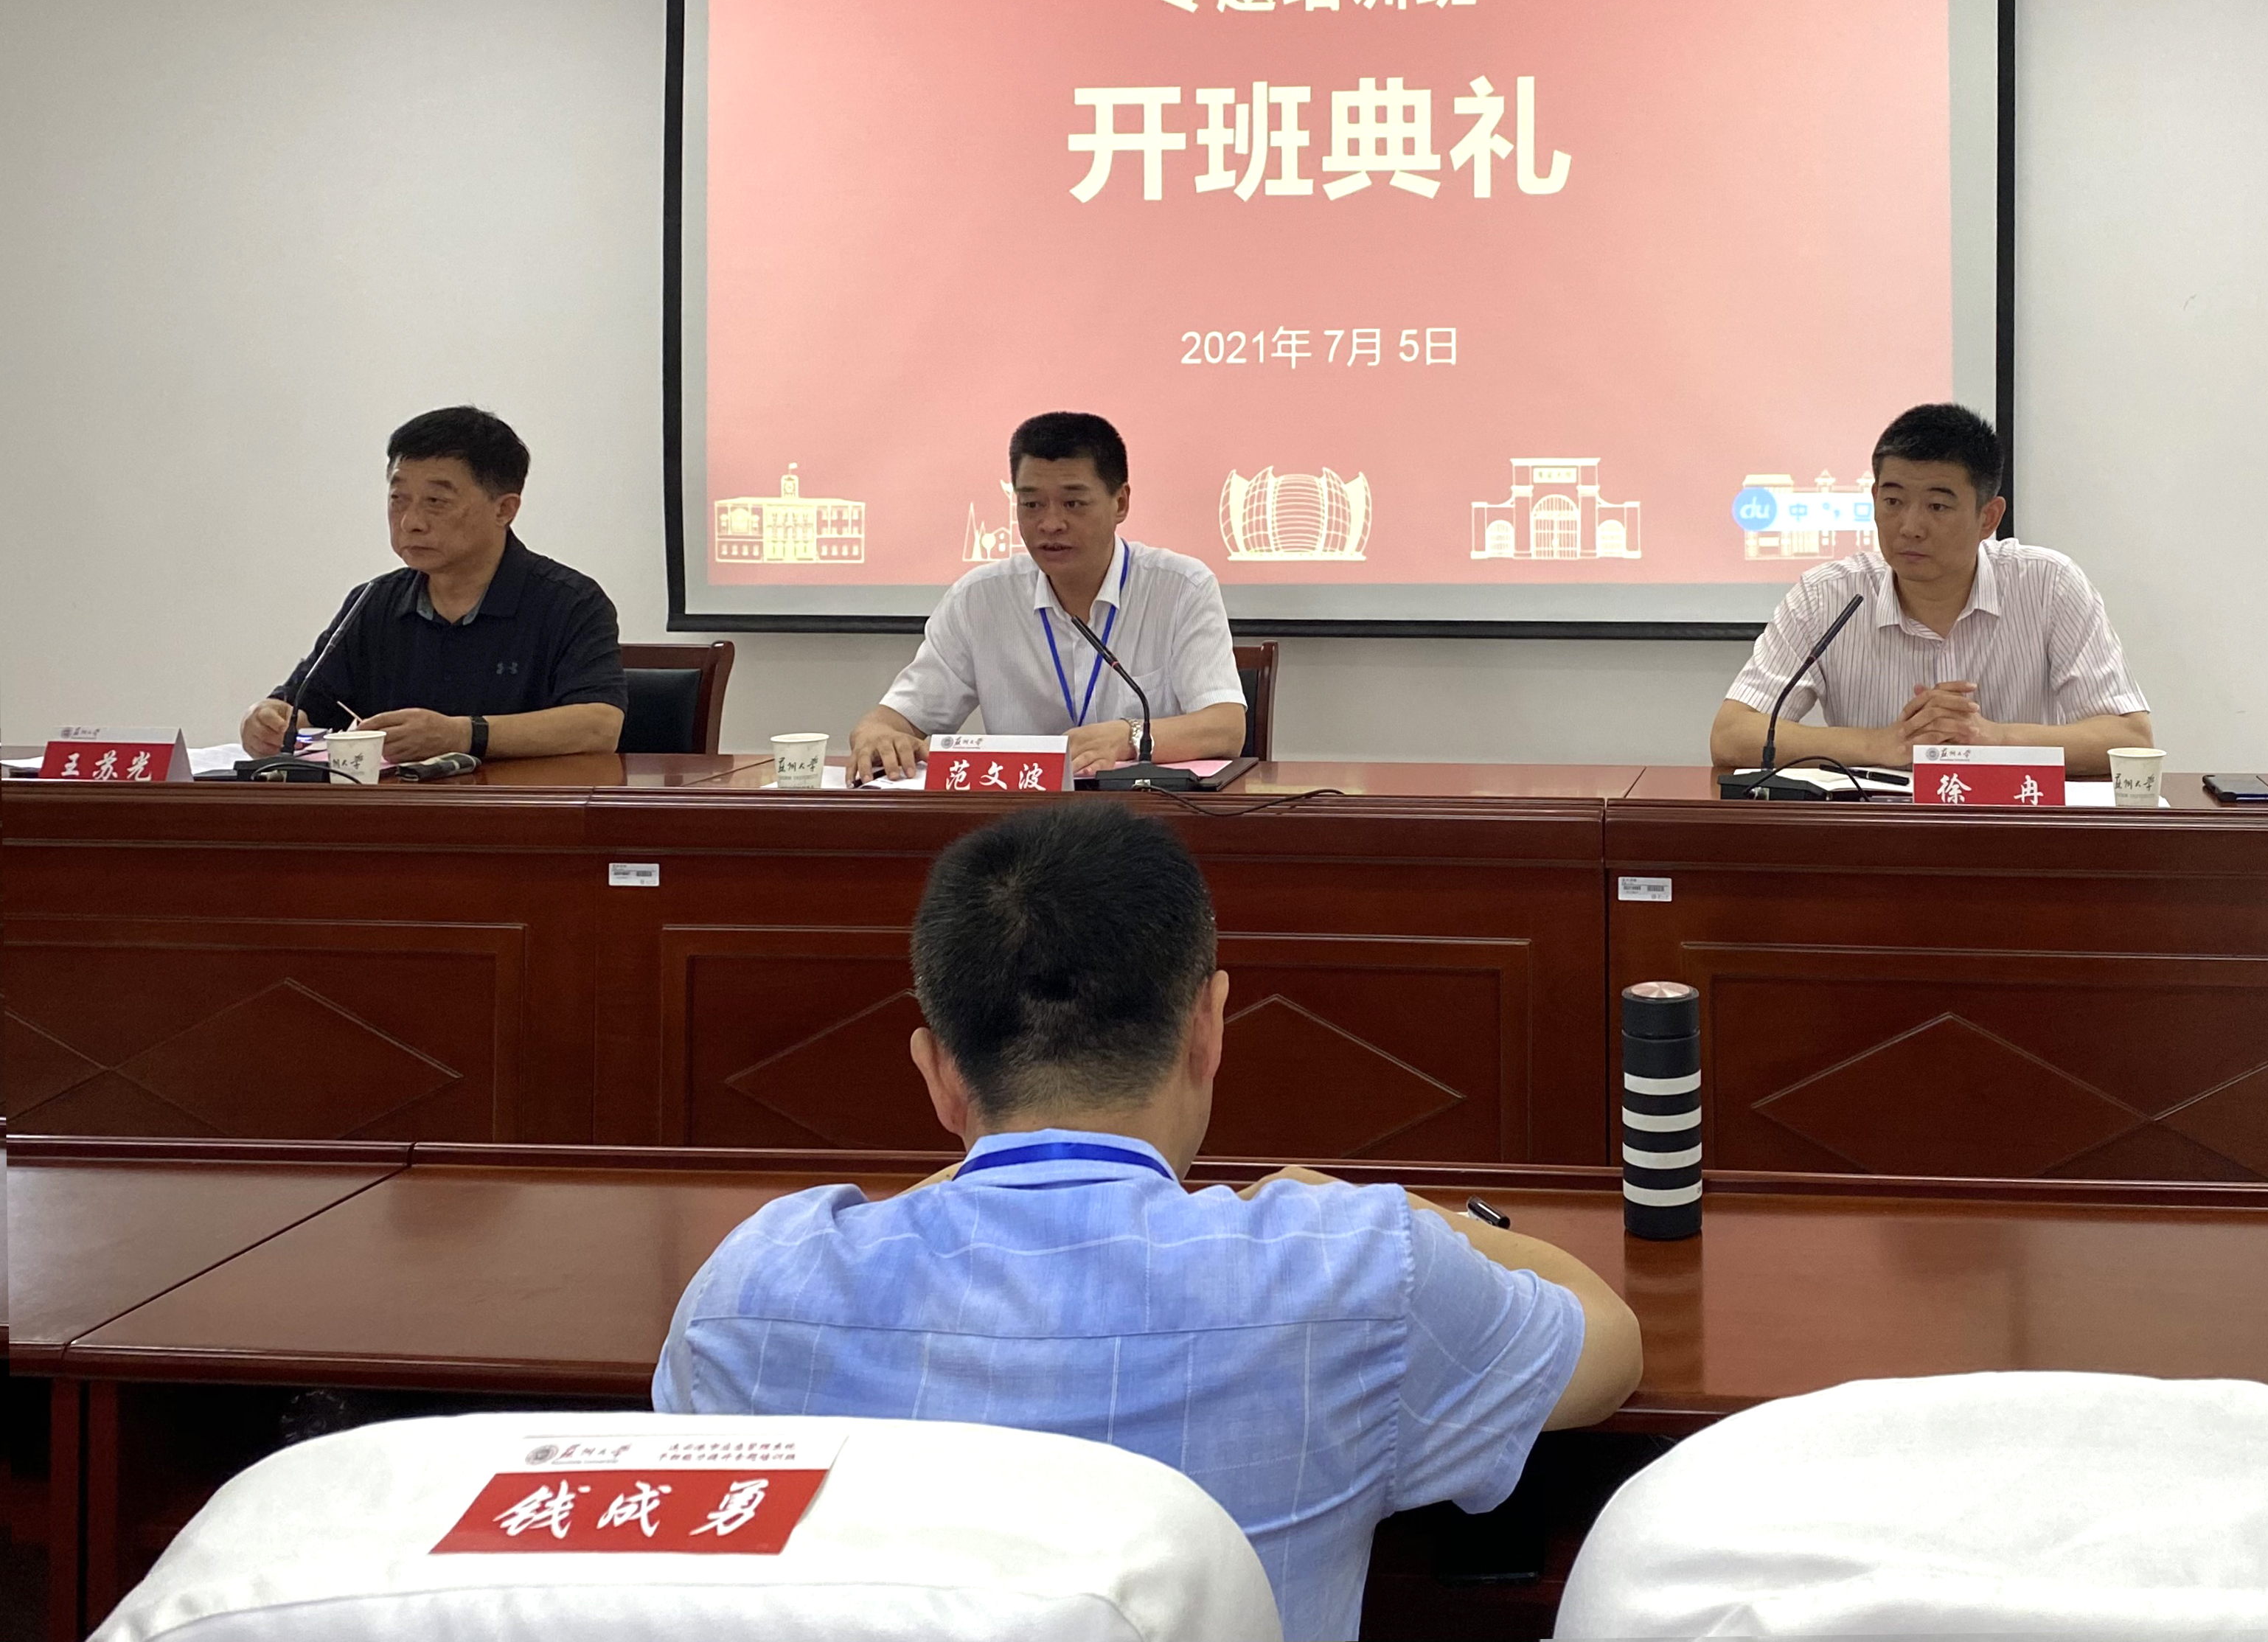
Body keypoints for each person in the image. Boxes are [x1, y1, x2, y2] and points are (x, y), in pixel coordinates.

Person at [654, 804, 1642, 1642]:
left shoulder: (752, 1295)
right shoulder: (1353, 1268)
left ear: (937, 1072)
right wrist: (1402, 1209)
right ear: (1208, 1028)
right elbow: (1608, 1345)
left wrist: (965, 1167)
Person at [1713, 402, 2153, 776]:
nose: (1910, 527)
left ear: (1988, 518)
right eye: (1893, 501)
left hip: (2011, 833)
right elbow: (1732, 735)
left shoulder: (2048, 585)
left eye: (1938, 506)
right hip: (1879, 837)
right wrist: (1881, 745)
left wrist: (1995, 739)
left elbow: (2130, 738)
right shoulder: (1826, 596)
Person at [849, 411, 1248, 783]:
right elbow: (894, 719)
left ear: (1121, 503)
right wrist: (877, 735)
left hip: (1144, 815)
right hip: (1020, 819)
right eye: (1031, 504)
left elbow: (1226, 728)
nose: (1051, 523)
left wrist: (1127, 736)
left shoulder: (1181, 588)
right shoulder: (979, 599)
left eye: (1073, 503)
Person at [240, 406, 626, 764]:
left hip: (516, 809)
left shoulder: (570, 602)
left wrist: (461, 734)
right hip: (394, 808)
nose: (411, 522)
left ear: (504, 509)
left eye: (436, 501)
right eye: (398, 499)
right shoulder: (373, 602)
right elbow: (304, 707)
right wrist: (267, 720)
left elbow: (599, 726)